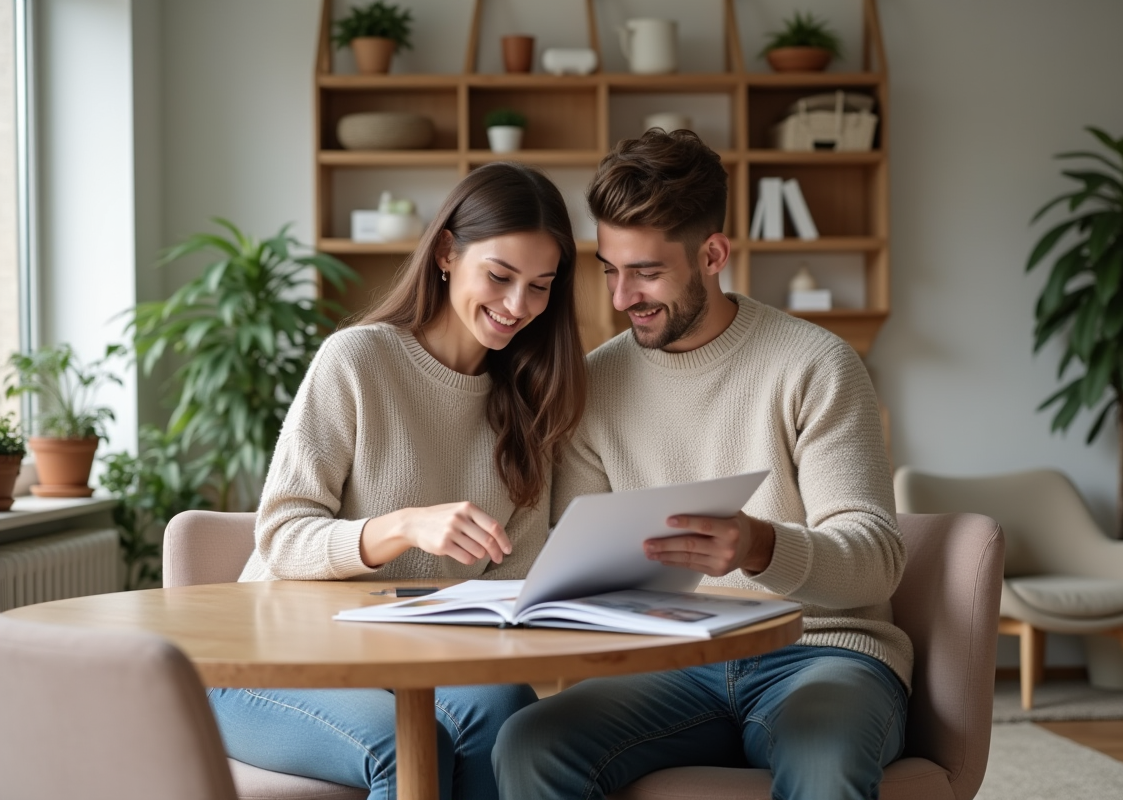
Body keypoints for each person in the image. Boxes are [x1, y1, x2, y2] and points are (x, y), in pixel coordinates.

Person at [493, 130, 911, 800]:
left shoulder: (816, 364)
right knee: (530, 741)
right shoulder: (594, 384)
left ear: (712, 254)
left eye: (647, 272)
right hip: (668, 664)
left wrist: (759, 544)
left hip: (819, 651)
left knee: (822, 760)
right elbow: (581, 566)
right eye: (609, 268)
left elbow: (875, 560)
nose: (623, 296)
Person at [208, 162, 587, 800]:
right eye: (499, 276)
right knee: (407, 749)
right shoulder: (357, 360)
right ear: (446, 252)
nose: (518, 306)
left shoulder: (526, 400)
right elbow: (280, 536)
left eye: (540, 286)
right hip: (271, 661)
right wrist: (406, 525)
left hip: (410, 663)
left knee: (508, 710)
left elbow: (513, 579)